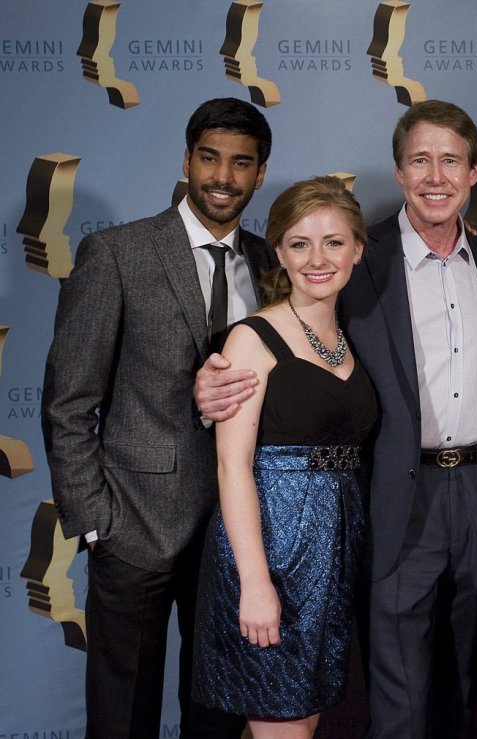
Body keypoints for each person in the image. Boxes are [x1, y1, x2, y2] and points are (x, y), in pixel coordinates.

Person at [195, 100, 477, 738]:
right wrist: (208, 387)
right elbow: (258, 384)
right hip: (391, 499)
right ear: (398, 172)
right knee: (387, 686)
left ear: (475, 173)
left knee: (468, 673)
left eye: (450, 161)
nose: (435, 177)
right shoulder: (364, 263)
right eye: (419, 160)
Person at [41, 97, 273, 738]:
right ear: (186, 160)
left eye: (241, 163)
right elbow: (68, 403)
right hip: (134, 526)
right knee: (123, 718)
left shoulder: (273, 264)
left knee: (219, 715)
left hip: (236, 533)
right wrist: (96, 522)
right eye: (209, 158)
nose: (222, 176)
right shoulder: (118, 253)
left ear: (259, 173)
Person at [191, 177, 377, 737]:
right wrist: (254, 582)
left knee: (305, 722)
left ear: (358, 249)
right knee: (284, 725)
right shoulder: (251, 339)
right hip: (272, 551)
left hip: (333, 555)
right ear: (279, 251)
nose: (318, 259)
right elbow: (232, 466)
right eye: (300, 244)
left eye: (334, 242)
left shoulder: (352, 337)